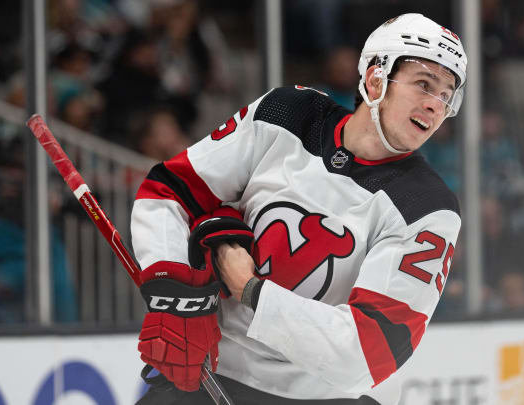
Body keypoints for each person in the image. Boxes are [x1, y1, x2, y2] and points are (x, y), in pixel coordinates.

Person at [131, 13, 467, 404]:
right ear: (376, 80)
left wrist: (253, 292)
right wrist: (175, 292)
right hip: (209, 374)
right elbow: (169, 192)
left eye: (446, 95)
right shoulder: (287, 113)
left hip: (319, 397)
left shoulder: (429, 208)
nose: (434, 105)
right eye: (423, 84)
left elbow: (369, 351)